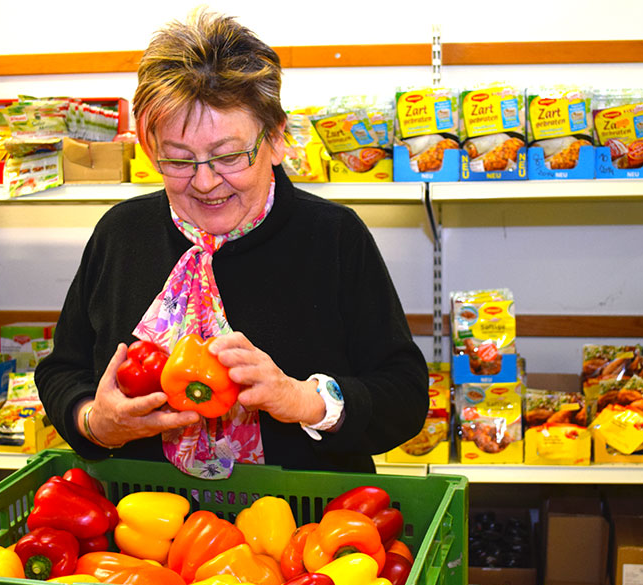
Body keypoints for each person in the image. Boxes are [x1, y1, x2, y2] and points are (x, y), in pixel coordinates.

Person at [35, 9, 427, 479]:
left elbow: (404, 395)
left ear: (277, 138)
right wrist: (95, 423)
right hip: (144, 526)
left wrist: (303, 400)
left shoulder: (334, 237)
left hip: (306, 533)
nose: (204, 182)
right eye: (178, 160)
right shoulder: (122, 234)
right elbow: (62, 371)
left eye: (227, 156)